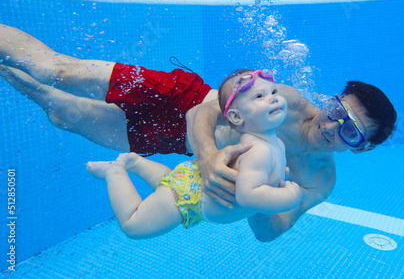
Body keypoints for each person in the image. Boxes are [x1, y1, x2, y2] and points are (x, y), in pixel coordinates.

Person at [0, 23, 397, 241]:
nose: (330, 128)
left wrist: (263, 198)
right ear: (330, 100)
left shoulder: (319, 180)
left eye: (350, 133)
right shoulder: (289, 101)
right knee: (58, 70)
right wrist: (208, 160)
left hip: (175, 141)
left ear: (361, 149)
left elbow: (269, 232)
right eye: (336, 112)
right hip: (186, 101)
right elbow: (200, 114)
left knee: (62, 114)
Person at [86, 69, 302, 239]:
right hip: (190, 199)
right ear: (236, 117)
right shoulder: (259, 150)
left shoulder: (277, 144)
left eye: (274, 92)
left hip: (193, 184)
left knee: (170, 184)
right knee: (133, 226)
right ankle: (115, 172)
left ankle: (135, 162)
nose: (273, 99)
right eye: (259, 96)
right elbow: (248, 195)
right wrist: (291, 196)